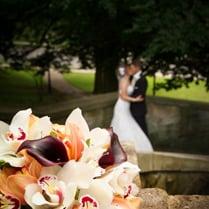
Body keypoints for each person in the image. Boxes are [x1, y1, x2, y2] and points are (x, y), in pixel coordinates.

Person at [111, 64, 153, 152]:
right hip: (121, 105)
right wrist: (135, 100)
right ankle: (120, 147)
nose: (131, 70)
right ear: (126, 71)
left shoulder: (129, 79)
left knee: (128, 123)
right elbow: (122, 96)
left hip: (126, 106)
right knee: (122, 124)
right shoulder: (124, 80)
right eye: (129, 69)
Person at [129, 59, 149, 136]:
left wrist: (126, 97)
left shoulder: (143, 80)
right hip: (129, 109)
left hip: (138, 110)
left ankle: (146, 146)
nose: (131, 69)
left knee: (142, 129)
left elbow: (140, 96)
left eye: (132, 67)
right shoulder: (131, 78)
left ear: (137, 68)